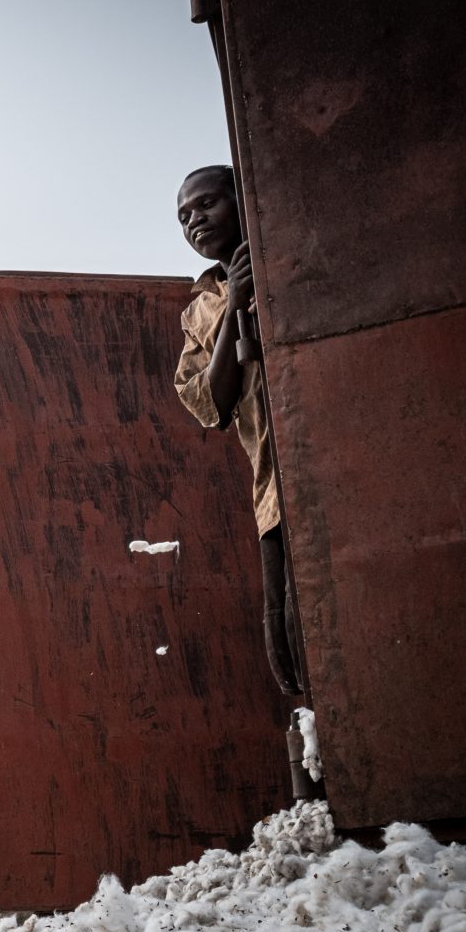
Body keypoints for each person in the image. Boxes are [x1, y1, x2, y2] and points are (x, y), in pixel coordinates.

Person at [172, 164, 300, 695]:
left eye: (205, 205)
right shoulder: (198, 312)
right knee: (288, 643)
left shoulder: (288, 252)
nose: (194, 221)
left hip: (324, 470)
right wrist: (234, 310)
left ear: (240, 200)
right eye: (183, 217)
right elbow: (207, 403)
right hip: (272, 492)